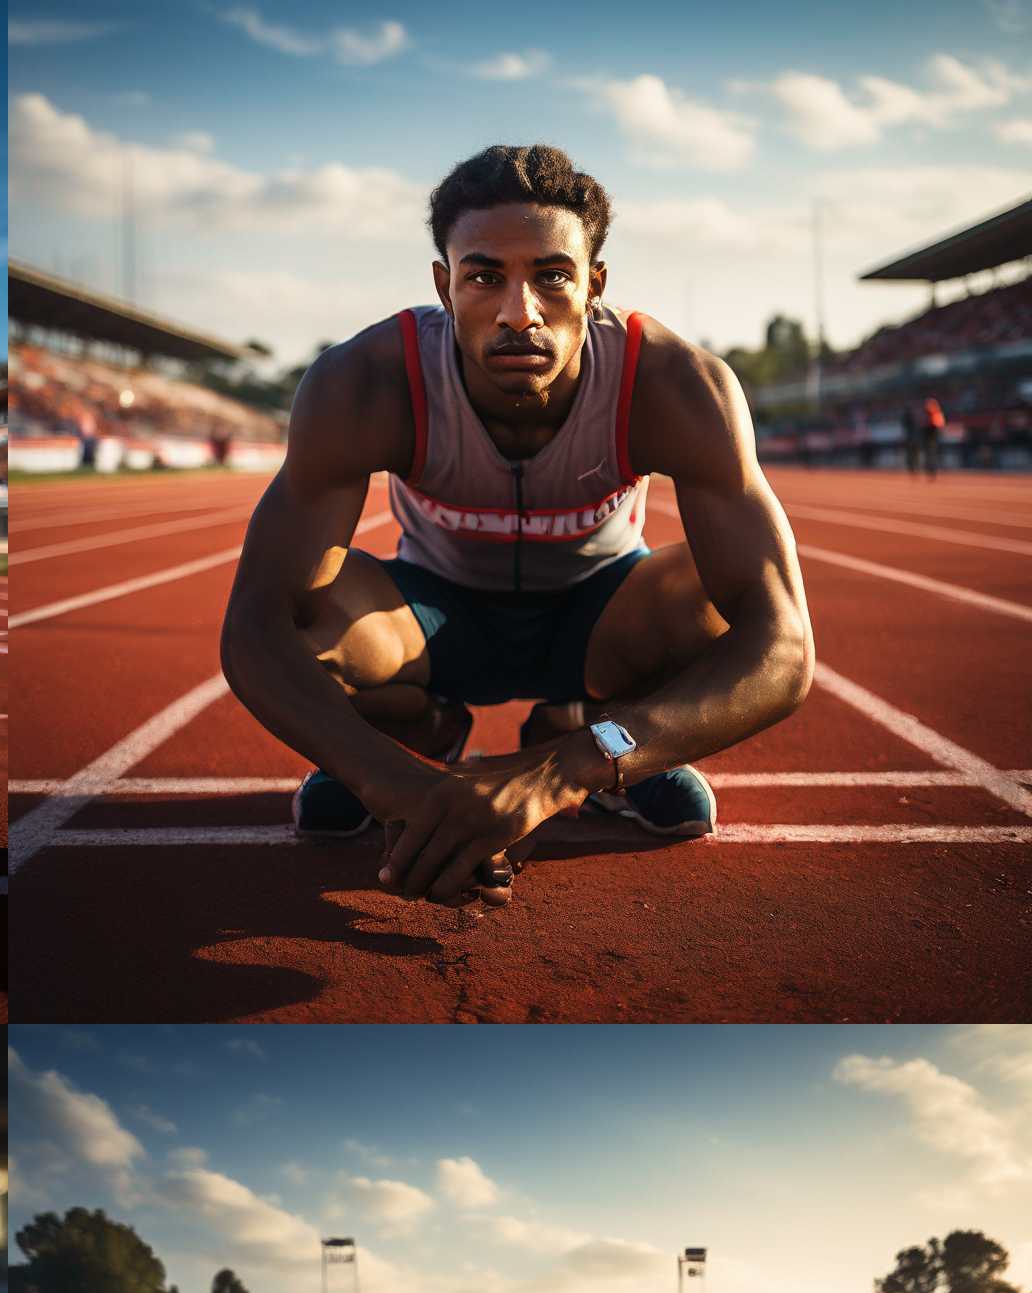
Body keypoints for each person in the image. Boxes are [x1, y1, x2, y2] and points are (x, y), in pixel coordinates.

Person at [221, 143, 813, 909]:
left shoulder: (674, 383)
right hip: (433, 618)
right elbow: (254, 630)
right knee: (309, 612)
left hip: (604, 615)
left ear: (594, 284)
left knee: (707, 602)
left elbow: (784, 649)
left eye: (552, 276)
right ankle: (415, 740)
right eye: (484, 276)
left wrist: (560, 771)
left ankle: (599, 736)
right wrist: (398, 785)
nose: (518, 312)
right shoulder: (365, 382)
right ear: (445, 285)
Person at [920, 395, 944, 480]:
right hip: (928, 438)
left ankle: (932, 472)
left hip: (932, 439)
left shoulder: (936, 414)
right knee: (929, 455)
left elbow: (939, 425)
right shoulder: (926, 415)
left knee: (931, 455)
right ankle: (930, 471)